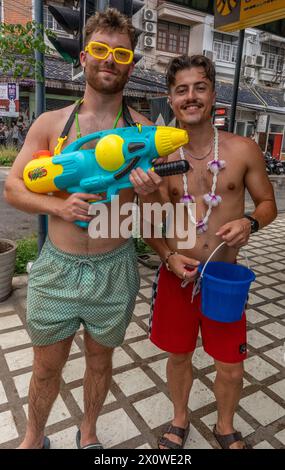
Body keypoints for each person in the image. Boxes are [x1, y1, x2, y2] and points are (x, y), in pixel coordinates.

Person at [4, 8, 161, 449]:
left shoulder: (145, 133)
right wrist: (57, 206)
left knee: (99, 362)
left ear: (131, 63)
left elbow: (159, 210)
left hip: (116, 267)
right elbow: (14, 189)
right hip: (57, 267)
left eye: (120, 53)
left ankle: (88, 433)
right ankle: (33, 439)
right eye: (99, 50)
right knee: (44, 367)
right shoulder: (51, 124)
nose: (109, 60)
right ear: (84, 59)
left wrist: (150, 194)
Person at [140, 54, 277, 449]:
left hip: (224, 280)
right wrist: (167, 255)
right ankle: (179, 420)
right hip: (176, 274)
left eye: (199, 87)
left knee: (231, 365)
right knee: (179, 356)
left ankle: (225, 426)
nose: (191, 96)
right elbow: (147, 223)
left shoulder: (244, 149)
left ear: (213, 94)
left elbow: (269, 204)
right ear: (171, 99)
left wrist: (250, 222)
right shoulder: (160, 159)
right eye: (182, 90)